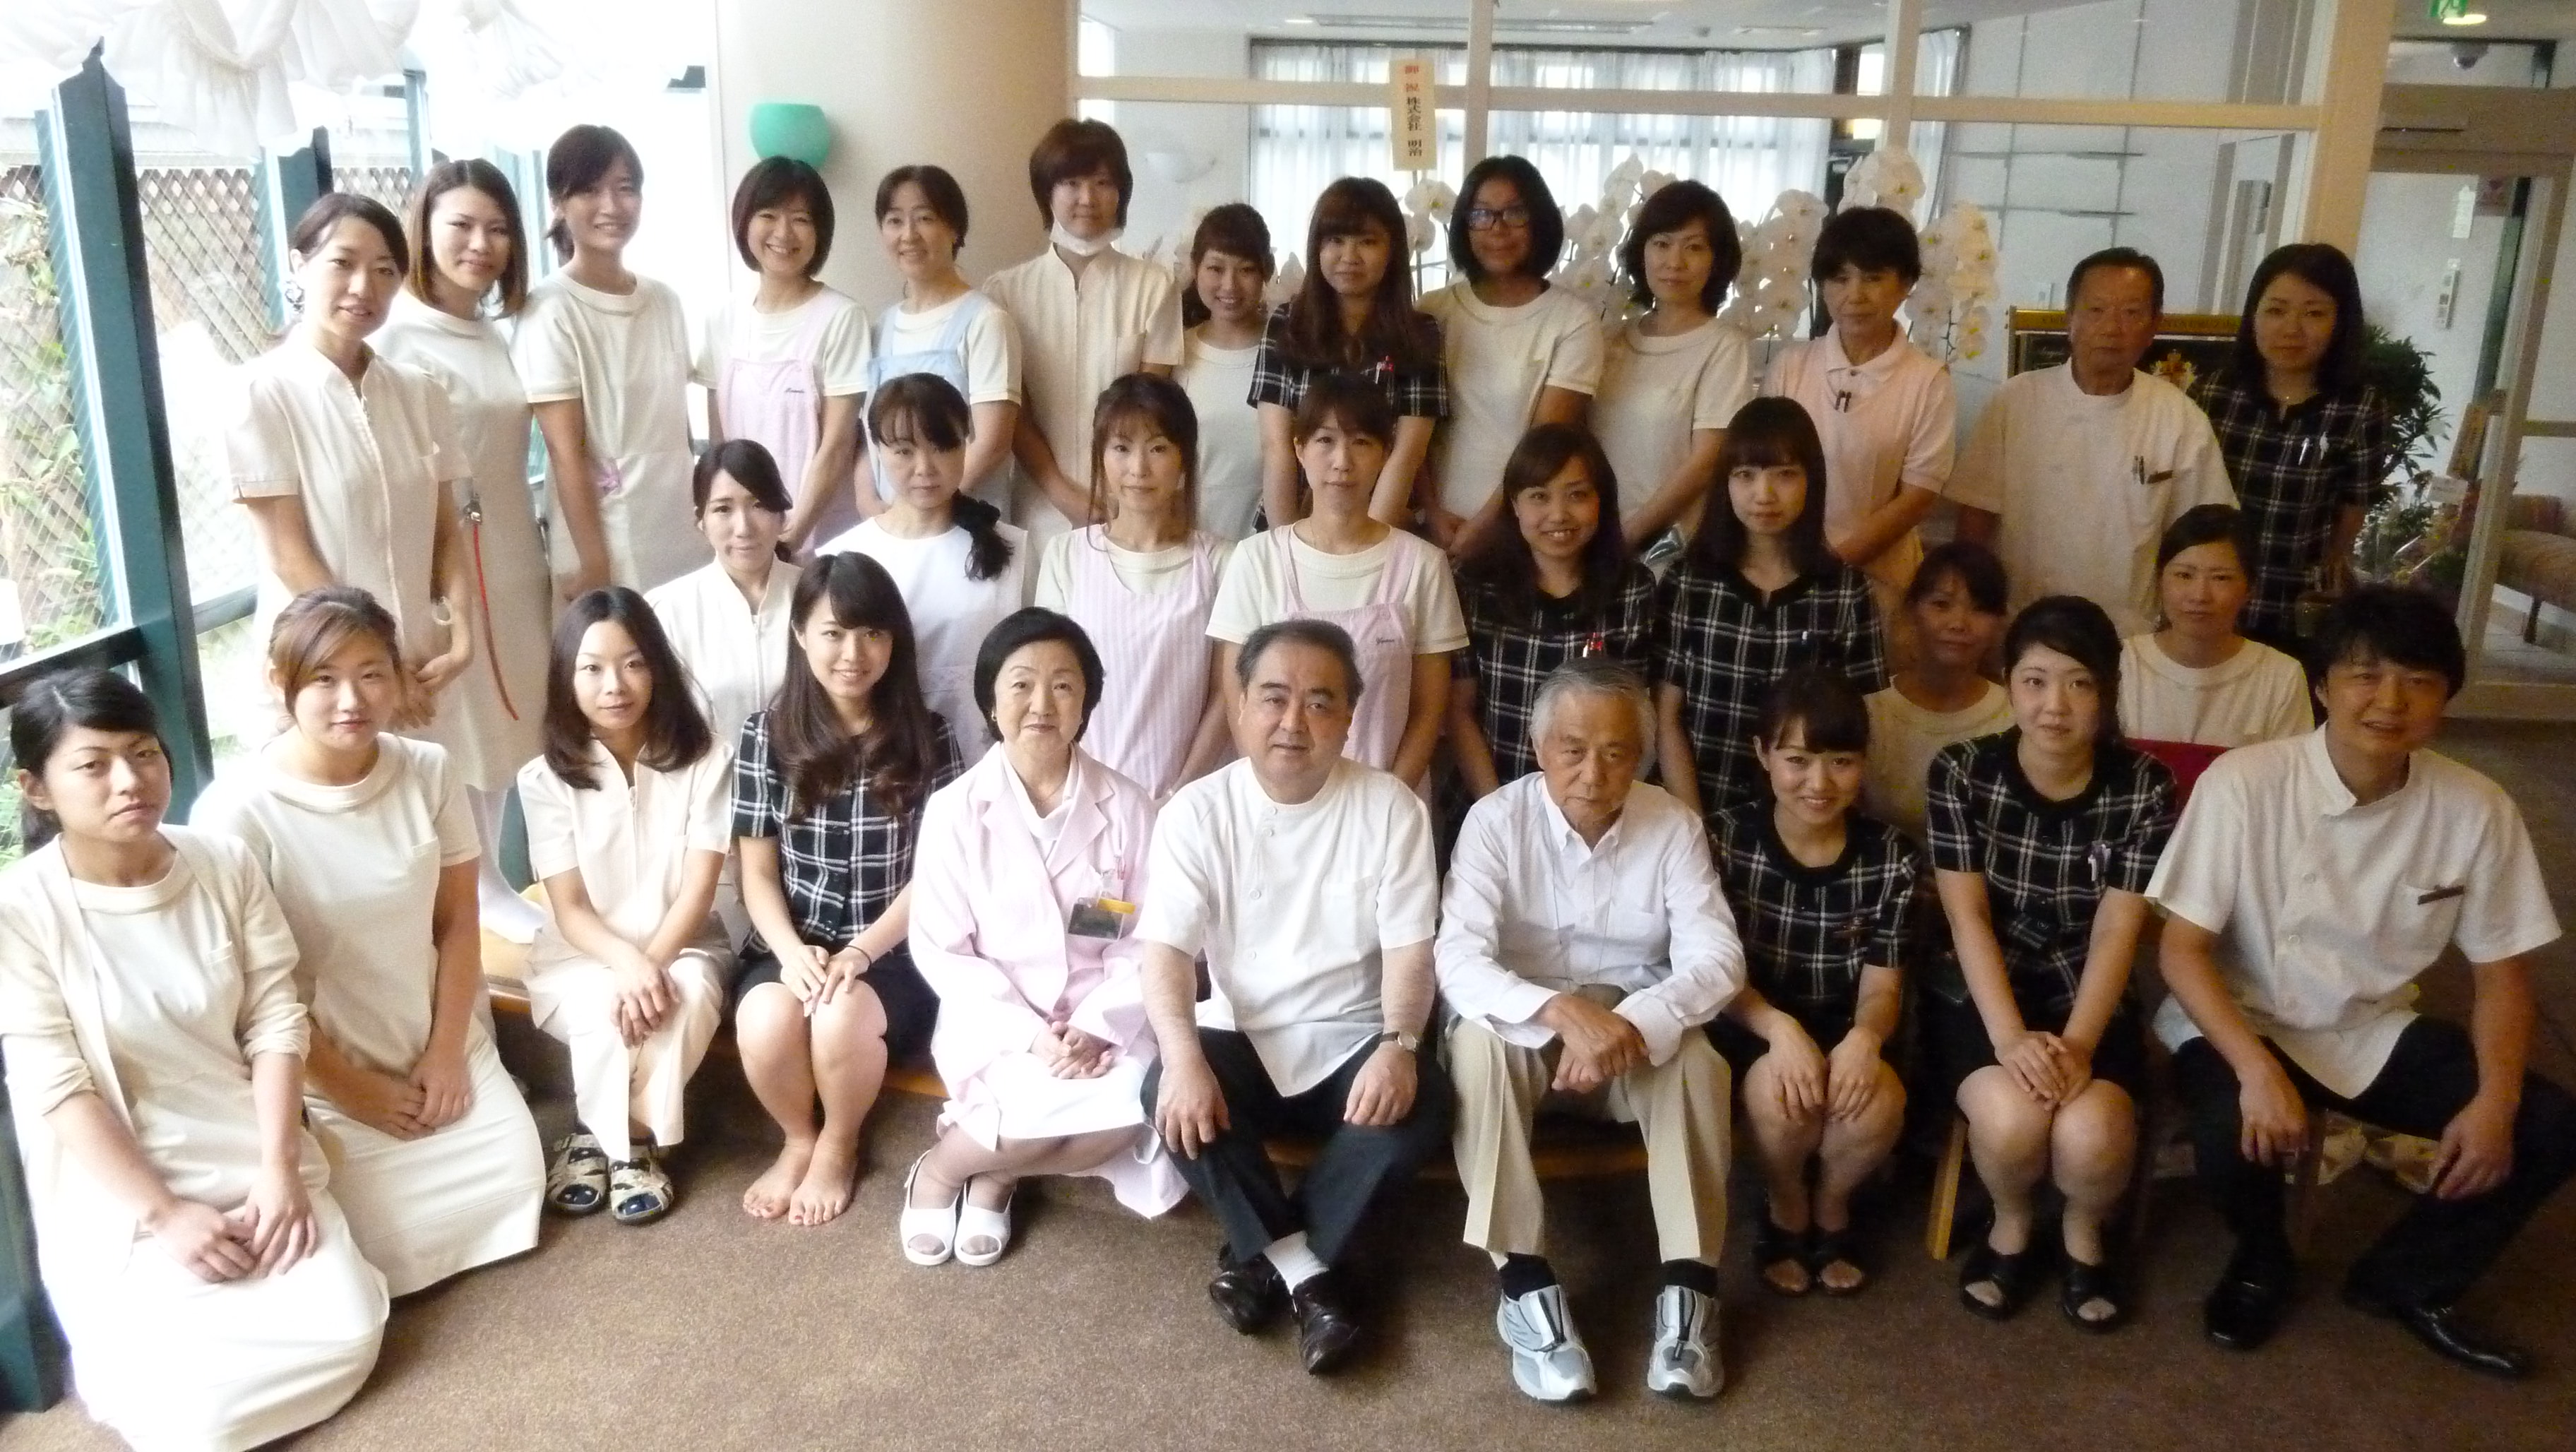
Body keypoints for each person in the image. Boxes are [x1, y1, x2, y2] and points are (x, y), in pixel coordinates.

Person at [2151, 585, 2575, 1376]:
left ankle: (2404, 1281)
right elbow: (2182, 951)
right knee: (2228, 1130)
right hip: (2241, 1014)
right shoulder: (2246, 782)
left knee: (2545, 1123)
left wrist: (2496, 1101)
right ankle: (2262, 1258)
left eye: (2418, 681)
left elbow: (2502, 975)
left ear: (2446, 694)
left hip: (2365, 1025)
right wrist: (2255, 1071)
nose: (2390, 701)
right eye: (2365, 675)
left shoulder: (2476, 807)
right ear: (2322, 686)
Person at [0, 670, 387, 1451]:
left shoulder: (222, 862)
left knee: (350, 1334)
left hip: (251, 1162)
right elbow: (58, 1086)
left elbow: (275, 1017)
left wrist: (278, 1167)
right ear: (35, 789)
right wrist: (166, 1214)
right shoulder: (20, 910)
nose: (130, 780)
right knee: (195, 1420)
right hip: (126, 1205)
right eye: (94, 764)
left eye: (144, 753)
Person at [190, 588, 545, 1296]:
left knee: (517, 1184)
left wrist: (450, 1052)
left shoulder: (428, 769)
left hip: (439, 1042)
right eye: (324, 679)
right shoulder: (234, 812)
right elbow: (254, 994)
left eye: (372, 674)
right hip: (328, 1068)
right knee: (383, 1241)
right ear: (280, 682)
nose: (351, 699)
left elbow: (458, 923)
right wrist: (350, 1090)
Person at [1138, 619, 1453, 1376]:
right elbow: (1166, 952)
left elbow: (1412, 953)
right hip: (1244, 1034)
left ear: (1349, 716)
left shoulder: (1392, 808)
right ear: (1241, 704)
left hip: (1354, 1039)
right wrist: (1182, 1057)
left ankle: (1259, 1262)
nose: (1293, 721)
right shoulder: (1195, 812)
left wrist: (1400, 1045)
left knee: (1424, 1104)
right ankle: (1311, 1280)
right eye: (1274, 698)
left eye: (1319, 702)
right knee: (1164, 1087)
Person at [1437, 659, 1743, 1403]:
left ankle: (1691, 1295)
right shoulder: (1495, 822)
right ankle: (1525, 1288)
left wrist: (1625, 1023)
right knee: (1476, 1046)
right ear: (1538, 748)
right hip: (1526, 1025)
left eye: (1615, 752)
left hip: (1629, 1035)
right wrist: (1561, 1013)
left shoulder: (1672, 825)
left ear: (1641, 755)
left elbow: (1718, 959)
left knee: (1698, 1061)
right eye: (1573, 749)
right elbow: (1458, 958)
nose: (1593, 773)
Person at [902, 609, 1186, 1266]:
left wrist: (1095, 1025)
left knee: (1133, 1113)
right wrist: (1032, 1035)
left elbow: (1145, 940)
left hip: (1103, 1021)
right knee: (1024, 1101)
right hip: (996, 1020)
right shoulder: (954, 811)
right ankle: (941, 1172)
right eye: (1021, 684)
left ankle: (993, 1171)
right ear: (991, 701)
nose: (1042, 704)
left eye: (1063, 686)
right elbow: (943, 950)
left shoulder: (1129, 807)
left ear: (1086, 702)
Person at [1924, 595, 2174, 1333]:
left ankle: (2083, 1231)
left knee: (2089, 1134)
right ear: (2008, 682)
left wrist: (2080, 1048)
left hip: (2085, 989)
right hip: (1983, 988)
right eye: (2034, 681)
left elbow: (2118, 927)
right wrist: (2008, 1039)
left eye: (2078, 683)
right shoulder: (1962, 771)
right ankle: (2011, 1221)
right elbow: (1967, 917)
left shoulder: (2145, 784)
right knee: (2012, 1123)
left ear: (2107, 691)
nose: (2054, 706)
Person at [730, 554, 964, 1226]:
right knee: (765, 1019)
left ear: (894, 642)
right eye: (833, 633)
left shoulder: (929, 737)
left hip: (894, 953)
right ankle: (797, 1138)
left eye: (871, 633)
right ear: (801, 635)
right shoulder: (765, 735)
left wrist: (860, 953)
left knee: (839, 1015)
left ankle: (838, 1143)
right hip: (791, 943)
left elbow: (938, 874)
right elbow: (756, 872)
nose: (853, 654)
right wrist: (791, 953)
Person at [225, 193, 474, 746]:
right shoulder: (261, 391)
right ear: (299, 265)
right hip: (323, 675)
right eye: (343, 263)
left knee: (437, 799)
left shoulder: (420, 393)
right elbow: (289, 555)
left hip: (423, 671)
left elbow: (446, 531)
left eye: (385, 271)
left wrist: (462, 638)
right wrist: (380, 666)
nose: (364, 287)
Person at [518, 588, 733, 1227]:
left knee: (686, 993)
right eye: (593, 668)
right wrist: (629, 966)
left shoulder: (708, 759)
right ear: (568, 678)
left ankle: (612, 1138)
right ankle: (628, 1147)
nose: (615, 685)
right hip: (581, 956)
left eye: (633, 664)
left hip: (685, 943)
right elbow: (570, 908)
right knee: (605, 1007)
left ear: (657, 668)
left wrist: (651, 964)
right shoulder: (543, 779)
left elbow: (698, 889)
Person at [379, 158, 551, 944]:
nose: (480, 244)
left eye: (497, 229)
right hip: (445, 556)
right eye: (462, 226)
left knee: (512, 715)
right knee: (459, 721)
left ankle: (495, 877)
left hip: (513, 546)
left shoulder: (496, 332)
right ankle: (471, 886)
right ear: (425, 230)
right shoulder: (396, 333)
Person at [1710, 670, 1918, 1299]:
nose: (1819, 783)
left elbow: (1883, 986)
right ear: (1762, 754)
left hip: (1846, 1022)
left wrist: (1866, 1038)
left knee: (1875, 1100)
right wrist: (1778, 1031)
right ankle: (1785, 1203)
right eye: (1798, 760)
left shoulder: (1891, 856)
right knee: (1782, 1094)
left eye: (1841, 762)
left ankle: (1833, 1203)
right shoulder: (1723, 840)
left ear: (1863, 762)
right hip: (1753, 1022)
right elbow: (1712, 969)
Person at [1954, 247, 2234, 636]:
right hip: (2021, 628)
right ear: (2069, 318)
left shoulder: (2180, 418)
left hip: (2131, 635)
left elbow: (2207, 535)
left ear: (2154, 325)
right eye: (2096, 309)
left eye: (2131, 312)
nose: (2112, 328)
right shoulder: (2015, 401)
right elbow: (1975, 519)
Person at [1209, 376, 1467, 787]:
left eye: (1361, 442)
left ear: (1385, 453)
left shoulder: (1423, 565)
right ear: (1299, 449)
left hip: (1388, 801)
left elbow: (1428, 709)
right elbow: (1237, 695)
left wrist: (1387, 804)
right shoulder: (1256, 560)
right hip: (1277, 798)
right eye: (1325, 441)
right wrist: (1273, 788)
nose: (1342, 461)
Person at [1655, 396, 1890, 823]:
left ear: (1811, 481)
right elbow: (1667, 718)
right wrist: (1695, 831)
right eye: (1745, 475)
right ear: (1725, 483)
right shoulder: (1689, 582)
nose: (1763, 495)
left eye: (1785, 474)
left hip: (1807, 820)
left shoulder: (1845, 591)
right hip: (1697, 810)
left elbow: (1862, 726)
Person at [515, 124, 702, 595]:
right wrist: (594, 562)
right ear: (558, 203)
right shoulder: (550, 309)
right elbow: (565, 452)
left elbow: (675, 426)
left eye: (625, 188)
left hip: (681, 524)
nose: (612, 206)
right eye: (591, 190)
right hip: (605, 540)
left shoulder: (664, 301)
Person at [1761, 206, 1956, 647]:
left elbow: (1918, 498)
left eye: (1873, 278)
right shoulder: (1791, 366)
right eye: (1840, 278)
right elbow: (1762, 468)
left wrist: (1829, 567)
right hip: (1782, 574)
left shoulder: (1928, 380)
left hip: (1878, 586)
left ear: (1905, 285)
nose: (1855, 295)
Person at [1034, 374, 1233, 799]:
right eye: (1122, 448)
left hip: (1191, 799)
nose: (1138, 469)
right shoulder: (1066, 555)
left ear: (1184, 459)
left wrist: (1180, 793)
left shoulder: (1222, 561)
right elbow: (1050, 683)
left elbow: (1226, 694)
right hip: (1084, 795)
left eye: (1157, 448)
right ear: (1101, 457)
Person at [987, 119, 1183, 542]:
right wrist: (1061, 492)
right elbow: (1012, 412)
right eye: (1071, 183)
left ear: (1121, 193)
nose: (1087, 198)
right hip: (1038, 504)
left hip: (1128, 502)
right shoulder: (1006, 292)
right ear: (1047, 191)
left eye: (1102, 182)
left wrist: (1113, 493)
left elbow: (1148, 409)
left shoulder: (1155, 286)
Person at [2188, 243, 2390, 653]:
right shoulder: (2212, 394)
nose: (2292, 329)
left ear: (2341, 322)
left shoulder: (2360, 408)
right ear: (2253, 315)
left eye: (2314, 313)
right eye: (2276, 310)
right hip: (2210, 601)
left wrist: (2329, 574)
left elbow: (2353, 507)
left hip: (2298, 607)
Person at [821, 374, 1032, 749]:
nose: (925, 467)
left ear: (966, 442)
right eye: (904, 451)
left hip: (989, 759)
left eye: (941, 447)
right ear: (877, 449)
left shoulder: (1013, 550)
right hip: (884, 763)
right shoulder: (842, 557)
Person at [1448, 423, 1656, 799]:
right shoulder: (1475, 586)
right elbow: (1459, 711)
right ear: (1514, 504)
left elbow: (1631, 717)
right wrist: (1499, 810)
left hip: (1594, 797)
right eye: (1539, 497)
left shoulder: (1632, 589)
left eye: (1577, 495)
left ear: (1602, 500)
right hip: (1491, 796)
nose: (1558, 514)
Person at [1422, 156, 1604, 549]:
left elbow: (1541, 449)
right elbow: (1412, 428)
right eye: (1481, 214)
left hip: (1525, 531)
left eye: (1515, 213)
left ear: (1539, 221)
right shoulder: (1432, 311)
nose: (1498, 229)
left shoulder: (1573, 321)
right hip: (1430, 527)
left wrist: (1482, 528)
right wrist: (1432, 513)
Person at [698, 156, 872, 554]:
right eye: (768, 215)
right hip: (743, 536)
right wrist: (735, 531)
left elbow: (838, 444)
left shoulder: (841, 317)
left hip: (819, 534)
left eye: (801, 219)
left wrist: (790, 538)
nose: (783, 232)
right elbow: (720, 445)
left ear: (820, 232)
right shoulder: (722, 319)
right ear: (744, 222)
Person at [1250, 177, 1446, 530]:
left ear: (1393, 250)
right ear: (1317, 248)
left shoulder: (1419, 333)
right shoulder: (1287, 324)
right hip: (1290, 522)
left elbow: (1407, 454)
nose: (1349, 257)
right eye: (1335, 240)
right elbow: (1277, 446)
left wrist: (1364, 545)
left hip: (1380, 526)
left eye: (1367, 242)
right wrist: (1285, 546)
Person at [1592, 179, 1751, 548]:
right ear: (1641, 251)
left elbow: (1706, 462)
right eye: (1662, 244)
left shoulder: (1723, 347)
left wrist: (1628, 537)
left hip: (1673, 549)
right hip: (1593, 539)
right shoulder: (1609, 339)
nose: (1675, 263)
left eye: (1694, 247)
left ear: (1717, 260)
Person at [2118, 504, 2312, 796]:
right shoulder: (2120, 663)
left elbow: (2289, 789)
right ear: (2159, 580)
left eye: (2221, 578)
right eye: (2184, 575)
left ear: (2250, 589)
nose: (2200, 595)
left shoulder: (2281, 676)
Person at [868, 164, 1022, 513]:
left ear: (954, 228)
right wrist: (868, 502)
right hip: (892, 525)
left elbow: (993, 443)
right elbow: (867, 438)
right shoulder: (882, 328)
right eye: (894, 221)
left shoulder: (986, 322)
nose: (909, 235)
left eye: (925, 218)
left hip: (964, 520)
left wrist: (921, 512)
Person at [647, 441, 805, 751]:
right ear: (701, 521)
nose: (743, 528)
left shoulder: (817, 597)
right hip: (709, 780)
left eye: (759, 505)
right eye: (723, 509)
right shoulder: (667, 611)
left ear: (781, 515)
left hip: (811, 776)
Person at [1861, 540, 2015, 843]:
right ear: (1911, 610)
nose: (1958, 624)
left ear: (1999, 623)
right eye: (1941, 605)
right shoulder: (1870, 706)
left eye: (1979, 609)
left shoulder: (2015, 717)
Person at [1174, 203, 1274, 538]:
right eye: (1216, 268)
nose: (1229, 286)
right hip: (1191, 543)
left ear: (1266, 272)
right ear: (1195, 268)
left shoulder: (1287, 354)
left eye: (1246, 270)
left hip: (1268, 544)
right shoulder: (1175, 353)